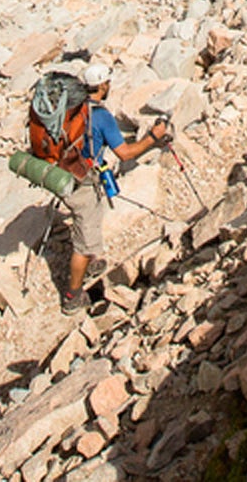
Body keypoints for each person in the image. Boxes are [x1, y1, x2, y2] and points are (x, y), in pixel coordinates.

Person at [58, 62, 171, 312]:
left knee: (90, 223)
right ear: (102, 86)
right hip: (83, 184)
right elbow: (125, 154)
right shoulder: (100, 116)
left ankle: (92, 262)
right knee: (83, 245)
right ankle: (72, 296)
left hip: (67, 174)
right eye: (108, 82)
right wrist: (153, 137)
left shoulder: (73, 108)